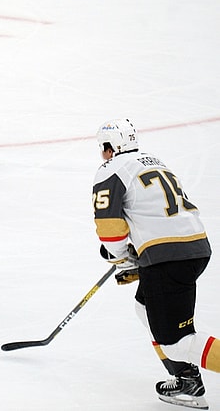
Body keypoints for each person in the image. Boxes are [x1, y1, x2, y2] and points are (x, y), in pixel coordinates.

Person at [92, 118, 218, 409]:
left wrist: (121, 257)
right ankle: (185, 378)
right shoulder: (154, 163)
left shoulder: (111, 169)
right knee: (145, 307)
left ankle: (187, 378)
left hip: (168, 258)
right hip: (194, 248)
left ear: (111, 147)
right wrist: (137, 258)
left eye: (103, 149)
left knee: (178, 341)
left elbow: (109, 225)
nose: (103, 155)